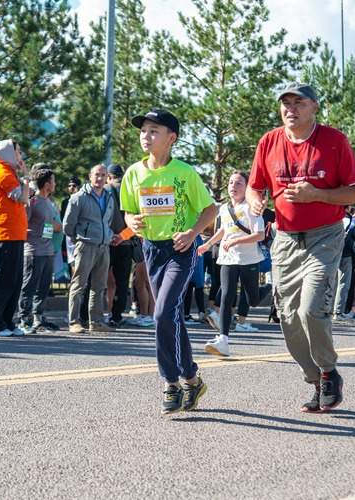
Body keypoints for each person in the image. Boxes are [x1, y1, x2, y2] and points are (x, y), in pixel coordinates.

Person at [247, 83, 355, 413]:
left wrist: (318, 195)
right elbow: (255, 187)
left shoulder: (334, 141)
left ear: (314, 107)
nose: (290, 109)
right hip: (285, 240)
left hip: (324, 237)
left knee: (310, 310)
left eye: (298, 102)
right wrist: (255, 202)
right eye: (285, 103)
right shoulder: (269, 142)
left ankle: (328, 371)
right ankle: (315, 379)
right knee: (288, 318)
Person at [122, 108, 217, 414]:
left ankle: (170, 383)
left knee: (162, 313)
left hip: (179, 250)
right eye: (143, 131)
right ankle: (192, 379)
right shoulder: (133, 173)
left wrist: (192, 233)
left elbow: (210, 209)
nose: (146, 136)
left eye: (154, 131)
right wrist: (131, 221)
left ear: (171, 138)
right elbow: (128, 212)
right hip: (152, 250)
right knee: (170, 317)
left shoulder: (184, 172)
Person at [197, 171, 268, 357]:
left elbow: (260, 235)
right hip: (228, 258)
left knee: (253, 300)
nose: (233, 187)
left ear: (246, 188)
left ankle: (271, 287)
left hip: (248, 259)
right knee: (226, 295)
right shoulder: (224, 208)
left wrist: (236, 241)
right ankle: (223, 340)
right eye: (230, 183)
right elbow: (223, 230)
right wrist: (207, 244)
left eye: (238, 183)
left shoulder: (251, 207)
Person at [63, 164, 116, 333]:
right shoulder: (78, 197)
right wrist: (80, 239)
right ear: (89, 176)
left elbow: (108, 222)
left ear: (107, 177)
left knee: (99, 286)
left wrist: (107, 236)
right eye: (97, 174)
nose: (100, 178)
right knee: (79, 285)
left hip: (103, 246)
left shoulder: (109, 197)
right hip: (85, 246)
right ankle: (74, 322)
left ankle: (96, 322)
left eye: (103, 175)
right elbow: (67, 226)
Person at [0, 139, 29, 337]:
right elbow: (23, 198)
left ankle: (7, 322)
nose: (20, 156)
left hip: (15, 232)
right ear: (9, 154)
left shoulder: (10, 173)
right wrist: (27, 177)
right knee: (5, 281)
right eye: (18, 152)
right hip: (7, 233)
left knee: (15, 280)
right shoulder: (3, 173)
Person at [17, 165, 62, 333]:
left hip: (48, 251)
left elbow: (48, 225)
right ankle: (24, 319)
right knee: (29, 286)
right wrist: (51, 226)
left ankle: (38, 318)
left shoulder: (49, 202)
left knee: (43, 288)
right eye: (53, 181)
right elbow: (24, 223)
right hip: (34, 251)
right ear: (47, 184)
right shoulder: (32, 202)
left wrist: (55, 227)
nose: (55, 184)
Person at [105, 164, 134, 327]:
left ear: (109, 176)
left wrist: (112, 236)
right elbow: (138, 219)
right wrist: (123, 237)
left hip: (107, 242)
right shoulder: (131, 190)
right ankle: (117, 315)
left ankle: (94, 314)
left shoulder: (105, 190)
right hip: (126, 242)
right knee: (122, 282)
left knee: (99, 279)